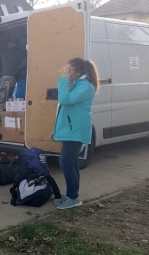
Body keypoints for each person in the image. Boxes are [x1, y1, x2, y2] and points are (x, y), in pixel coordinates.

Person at [52, 57, 99, 210]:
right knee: (71, 162)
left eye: (69, 70)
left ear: (79, 72)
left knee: (65, 162)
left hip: (76, 130)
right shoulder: (78, 84)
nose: (66, 72)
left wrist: (64, 80)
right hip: (70, 129)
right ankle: (72, 195)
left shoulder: (85, 86)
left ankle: (73, 198)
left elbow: (65, 100)